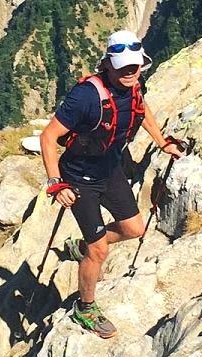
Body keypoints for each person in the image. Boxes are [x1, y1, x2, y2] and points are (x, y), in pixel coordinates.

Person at [39, 30, 184, 338]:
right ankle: (85, 307)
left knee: (134, 229)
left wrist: (162, 143)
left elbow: (140, 111)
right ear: (107, 65)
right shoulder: (86, 96)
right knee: (100, 252)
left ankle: (82, 247)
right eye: (124, 67)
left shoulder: (134, 85)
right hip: (78, 179)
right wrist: (56, 183)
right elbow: (48, 137)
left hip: (109, 169)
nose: (131, 71)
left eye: (136, 65)